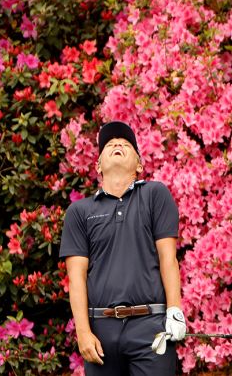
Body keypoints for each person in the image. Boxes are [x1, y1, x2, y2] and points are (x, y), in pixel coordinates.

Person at [59, 120, 186, 375]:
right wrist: (83, 332)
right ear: (98, 166)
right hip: (100, 331)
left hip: (151, 326)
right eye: (109, 145)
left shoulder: (155, 195)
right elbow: (76, 277)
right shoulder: (79, 212)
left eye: (126, 144)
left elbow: (168, 258)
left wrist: (174, 311)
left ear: (139, 165)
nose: (117, 144)